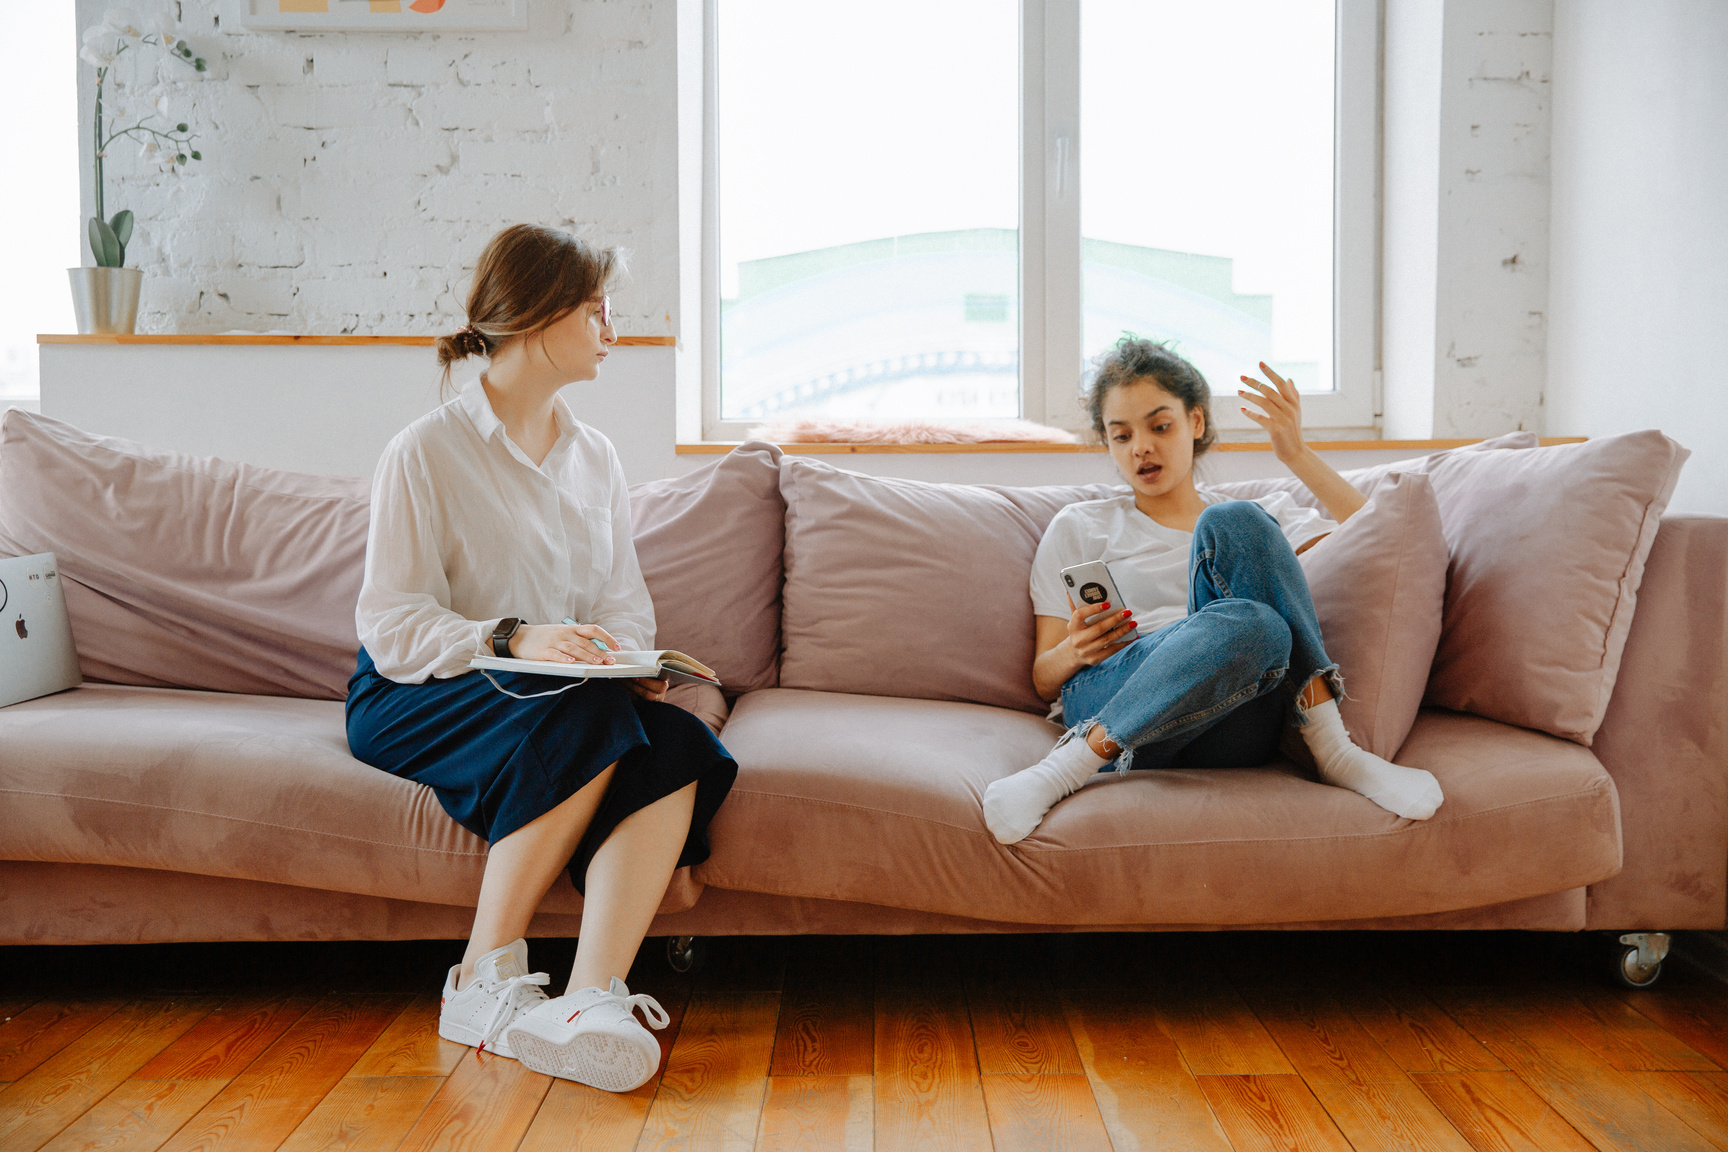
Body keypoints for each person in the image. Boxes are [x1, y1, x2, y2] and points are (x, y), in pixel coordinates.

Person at [345, 224, 737, 1093]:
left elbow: (618, 602)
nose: (613, 330)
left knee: (678, 744)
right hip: (422, 688)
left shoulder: (593, 456)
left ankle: (591, 997)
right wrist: (516, 638)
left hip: (557, 692)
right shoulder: (425, 451)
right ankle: (481, 979)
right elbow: (393, 621)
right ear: (539, 314)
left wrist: (625, 653)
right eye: (599, 311)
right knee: (590, 717)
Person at [982, 338, 1443, 844]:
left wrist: (1296, 452)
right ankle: (1064, 768)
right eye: (1121, 435)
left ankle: (1333, 750)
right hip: (1116, 692)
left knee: (1250, 588)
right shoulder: (1080, 525)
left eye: (1160, 426)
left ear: (1195, 423)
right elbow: (1045, 679)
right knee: (1255, 618)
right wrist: (1075, 649)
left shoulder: (1250, 521)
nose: (1141, 447)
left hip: (1231, 715)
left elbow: (1382, 536)